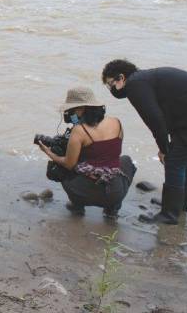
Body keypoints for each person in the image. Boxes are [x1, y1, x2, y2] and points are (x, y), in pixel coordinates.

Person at [101, 59, 187, 225]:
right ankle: (179, 205)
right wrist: (167, 145)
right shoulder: (144, 79)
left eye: (111, 84)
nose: (112, 89)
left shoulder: (135, 85)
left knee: (175, 161)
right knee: (186, 158)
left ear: (121, 78)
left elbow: (155, 120)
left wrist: (163, 149)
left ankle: (170, 214)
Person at [38, 86, 136, 219]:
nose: (69, 113)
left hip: (85, 194)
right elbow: (110, 153)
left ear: (80, 109)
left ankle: (77, 206)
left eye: (71, 110)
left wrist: (49, 152)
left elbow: (69, 164)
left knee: (62, 164)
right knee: (125, 161)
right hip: (115, 192)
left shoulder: (79, 130)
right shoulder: (116, 122)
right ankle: (112, 210)